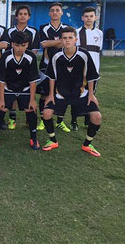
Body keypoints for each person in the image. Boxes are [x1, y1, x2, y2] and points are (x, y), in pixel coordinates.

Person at [42, 27, 102, 157]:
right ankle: (52, 141)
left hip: (81, 93)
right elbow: (52, 77)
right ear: (61, 41)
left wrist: (91, 95)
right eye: (64, 38)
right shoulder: (56, 55)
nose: (67, 40)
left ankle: (87, 144)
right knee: (46, 113)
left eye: (70, 38)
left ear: (76, 39)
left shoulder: (84, 54)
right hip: (60, 94)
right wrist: (51, 95)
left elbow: (91, 76)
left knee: (97, 117)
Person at [0, 31, 41, 149]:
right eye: (17, 45)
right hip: (9, 88)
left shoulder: (31, 56)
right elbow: (1, 79)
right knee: (1, 107)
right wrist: (1, 98)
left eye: (23, 45)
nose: (20, 48)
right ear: (12, 44)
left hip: (25, 89)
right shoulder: (6, 56)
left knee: (31, 108)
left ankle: (34, 138)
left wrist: (32, 99)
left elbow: (33, 80)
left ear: (28, 45)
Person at [5, 5, 40, 129]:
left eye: (25, 14)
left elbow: (34, 50)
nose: (23, 16)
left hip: (28, 66)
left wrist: (26, 62)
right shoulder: (10, 31)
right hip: (13, 66)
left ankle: (28, 119)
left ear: (29, 16)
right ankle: (12, 119)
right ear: (16, 16)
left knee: (29, 90)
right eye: (20, 14)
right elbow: (8, 50)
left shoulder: (34, 31)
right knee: (13, 89)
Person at [37, 2, 70, 132]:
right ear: (49, 13)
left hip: (64, 66)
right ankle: (42, 120)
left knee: (62, 93)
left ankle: (60, 121)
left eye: (57, 10)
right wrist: (60, 42)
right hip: (47, 65)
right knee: (45, 94)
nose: (55, 12)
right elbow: (44, 44)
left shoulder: (67, 27)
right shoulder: (44, 27)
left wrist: (54, 43)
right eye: (52, 10)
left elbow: (68, 44)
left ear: (61, 12)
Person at [74, 6, 103, 131]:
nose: (89, 18)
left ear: (95, 17)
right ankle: (73, 120)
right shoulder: (77, 32)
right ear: (82, 18)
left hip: (94, 71)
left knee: (91, 95)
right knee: (77, 95)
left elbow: (98, 51)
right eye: (86, 16)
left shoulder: (99, 33)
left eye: (91, 16)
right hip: (80, 71)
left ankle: (87, 119)